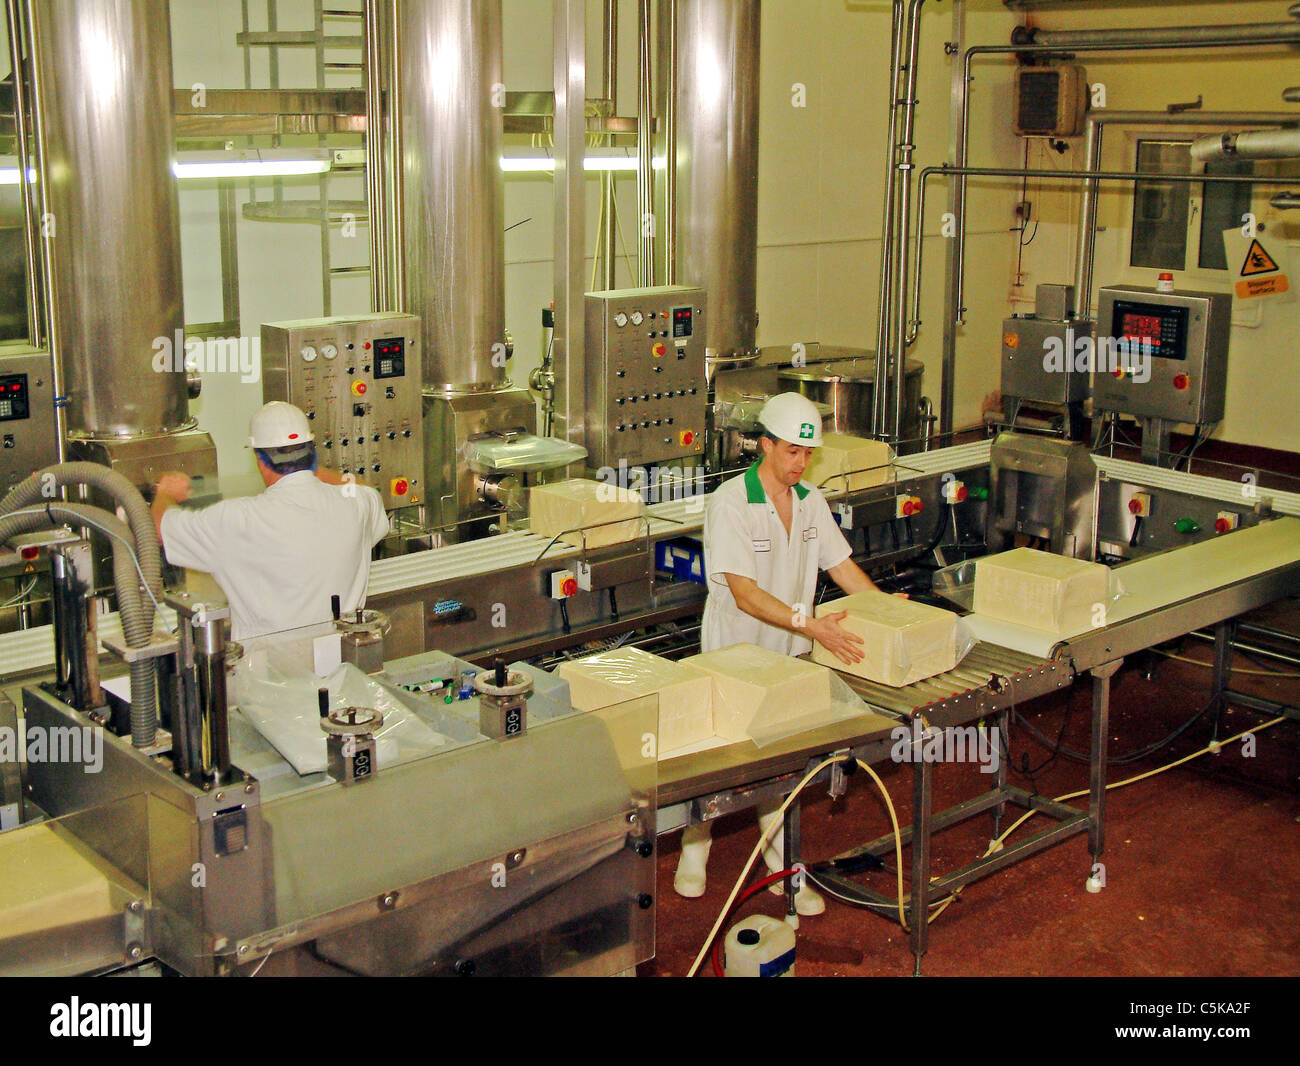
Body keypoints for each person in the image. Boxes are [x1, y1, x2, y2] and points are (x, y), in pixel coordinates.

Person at [675, 392, 882, 915]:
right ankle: (693, 848)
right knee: (720, 759)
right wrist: (813, 626)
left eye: (807, 454)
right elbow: (744, 593)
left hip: (788, 657)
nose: (801, 462)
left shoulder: (811, 501)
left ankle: (783, 873)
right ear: (764, 445)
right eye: (792, 451)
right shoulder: (730, 503)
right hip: (735, 655)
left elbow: (841, 568)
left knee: (780, 766)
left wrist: (888, 610)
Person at [152, 401, 391, 641]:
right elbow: (367, 492)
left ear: (259, 459)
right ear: (311, 450)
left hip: (266, 674)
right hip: (341, 667)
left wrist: (166, 493)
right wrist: (311, 471)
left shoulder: (237, 521)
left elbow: (159, 528)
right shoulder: (356, 505)